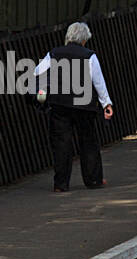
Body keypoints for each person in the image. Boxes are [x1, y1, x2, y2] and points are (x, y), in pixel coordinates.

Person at [35, 21, 114, 192]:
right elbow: (98, 82)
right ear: (84, 39)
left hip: (59, 104)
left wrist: (43, 94)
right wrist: (106, 103)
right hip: (84, 105)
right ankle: (93, 180)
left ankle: (60, 184)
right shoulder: (89, 55)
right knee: (88, 142)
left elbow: (37, 73)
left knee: (61, 144)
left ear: (68, 37)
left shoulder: (54, 53)